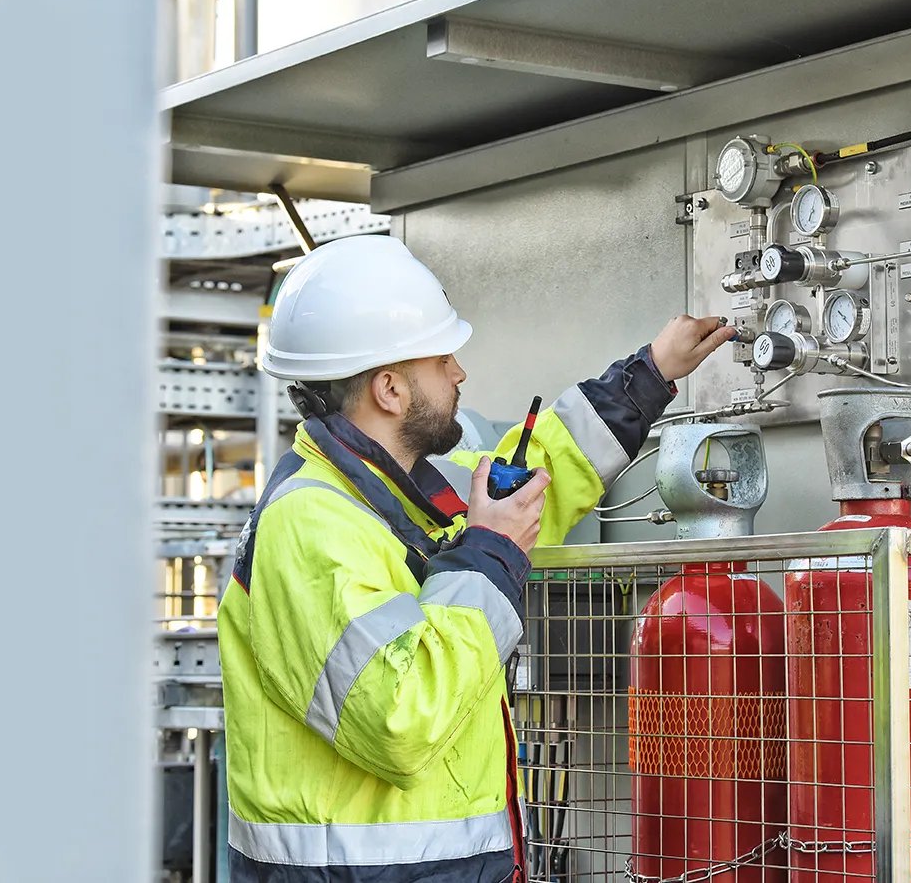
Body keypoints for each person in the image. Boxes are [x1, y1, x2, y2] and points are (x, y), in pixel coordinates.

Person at [219, 235, 734, 882]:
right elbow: (398, 718)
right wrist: (487, 555)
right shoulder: (311, 525)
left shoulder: (393, 493)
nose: (459, 374)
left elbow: (531, 472)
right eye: (441, 361)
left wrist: (650, 374)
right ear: (389, 390)